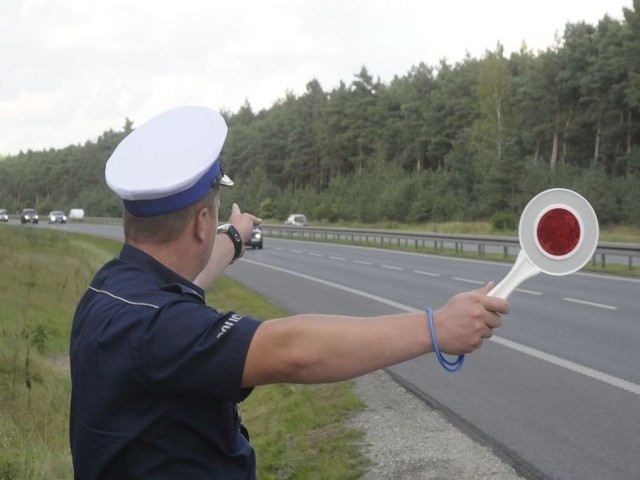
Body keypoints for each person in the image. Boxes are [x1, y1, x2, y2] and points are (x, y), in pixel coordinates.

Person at [69, 105, 509, 480]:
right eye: (215, 215)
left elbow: (187, 282)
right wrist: (437, 327)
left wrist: (235, 240)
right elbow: (294, 350)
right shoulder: (162, 329)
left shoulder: (111, 290)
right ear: (202, 223)